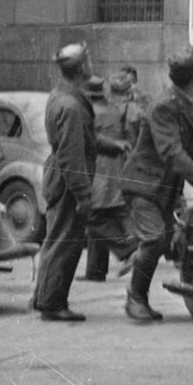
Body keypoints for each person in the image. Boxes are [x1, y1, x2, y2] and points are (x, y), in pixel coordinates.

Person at [117, 49, 193, 324]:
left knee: (166, 241)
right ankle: (135, 298)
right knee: (154, 239)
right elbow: (170, 150)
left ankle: (140, 287)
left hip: (161, 188)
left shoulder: (186, 101)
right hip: (143, 184)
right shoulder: (164, 105)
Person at [34, 42, 98, 322]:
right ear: (82, 67)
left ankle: (44, 298)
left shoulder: (61, 96)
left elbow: (76, 142)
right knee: (64, 241)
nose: (92, 64)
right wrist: (83, 195)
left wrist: (109, 145)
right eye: (89, 60)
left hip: (60, 178)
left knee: (56, 239)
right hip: (67, 181)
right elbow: (72, 155)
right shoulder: (71, 105)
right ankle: (51, 303)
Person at [83, 66, 144, 282]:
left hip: (101, 170)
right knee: (112, 213)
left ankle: (128, 249)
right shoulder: (115, 111)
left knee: (93, 216)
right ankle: (95, 270)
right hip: (117, 169)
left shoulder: (94, 113)